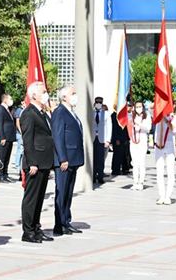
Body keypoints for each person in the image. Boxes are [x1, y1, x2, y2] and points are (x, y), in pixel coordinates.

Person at [20, 82, 55, 244]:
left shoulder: (41, 113)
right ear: (34, 95)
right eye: (43, 92)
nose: (46, 94)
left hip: (44, 161)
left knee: (39, 198)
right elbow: (27, 140)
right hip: (35, 162)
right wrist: (32, 162)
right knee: (31, 199)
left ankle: (36, 228)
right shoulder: (28, 113)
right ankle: (28, 231)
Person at [51, 86, 84, 237]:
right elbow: (58, 137)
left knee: (69, 193)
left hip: (73, 159)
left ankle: (66, 221)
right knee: (62, 192)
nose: (75, 96)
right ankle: (59, 224)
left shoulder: (71, 112)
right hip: (65, 160)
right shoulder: (59, 112)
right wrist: (62, 158)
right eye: (73, 93)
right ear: (64, 97)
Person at [154, 112, 176, 205]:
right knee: (159, 172)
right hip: (159, 146)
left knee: (170, 172)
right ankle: (161, 195)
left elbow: (173, 129)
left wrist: (166, 120)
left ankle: (168, 196)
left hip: (169, 147)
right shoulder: (158, 114)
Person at [129, 101, 151, 191]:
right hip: (133, 141)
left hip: (142, 141)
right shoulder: (132, 116)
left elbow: (148, 128)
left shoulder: (147, 116)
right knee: (134, 163)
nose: (138, 108)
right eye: (137, 106)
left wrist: (140, 125)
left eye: (140, 106)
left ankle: (141, 182)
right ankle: (135, 182)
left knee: (141, 162)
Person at [0, 94, 16, 183]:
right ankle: (0, 175)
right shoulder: (0, 109)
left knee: (7, 157)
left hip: (9, 137)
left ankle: (5, 174)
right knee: (2, 157)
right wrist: (2, 137)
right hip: (4, 137)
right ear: (5, 99)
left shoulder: (7, 110)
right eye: (10, 98)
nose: (11, 100)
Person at [91, 97, 112, 186]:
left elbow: (109, 127)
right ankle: (92, 176)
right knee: (93, 158)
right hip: (93, 138)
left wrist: (108, 140)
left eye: (100, 102)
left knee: (100, 159)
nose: (98, 104)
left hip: (102, 139)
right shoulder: (91, 113)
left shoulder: (106, 114)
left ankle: (100, 176)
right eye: (97, 102)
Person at [110, 105, 130, 176]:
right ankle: (115, 169)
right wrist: (116, 139)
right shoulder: (114, 115)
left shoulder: (124, 115)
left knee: (125, 154)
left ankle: (125, 169)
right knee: (117, 155)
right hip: (117, 139)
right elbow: (114, 128)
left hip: (124, 138)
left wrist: (127, 138)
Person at [12, 99, 25, 171]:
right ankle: (17, 164)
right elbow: (17, 123)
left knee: (21, 149)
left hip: (21, 133)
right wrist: (21, 132)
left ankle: (18, 163)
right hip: (20, 133)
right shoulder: (19, 110)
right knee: (20, 149)